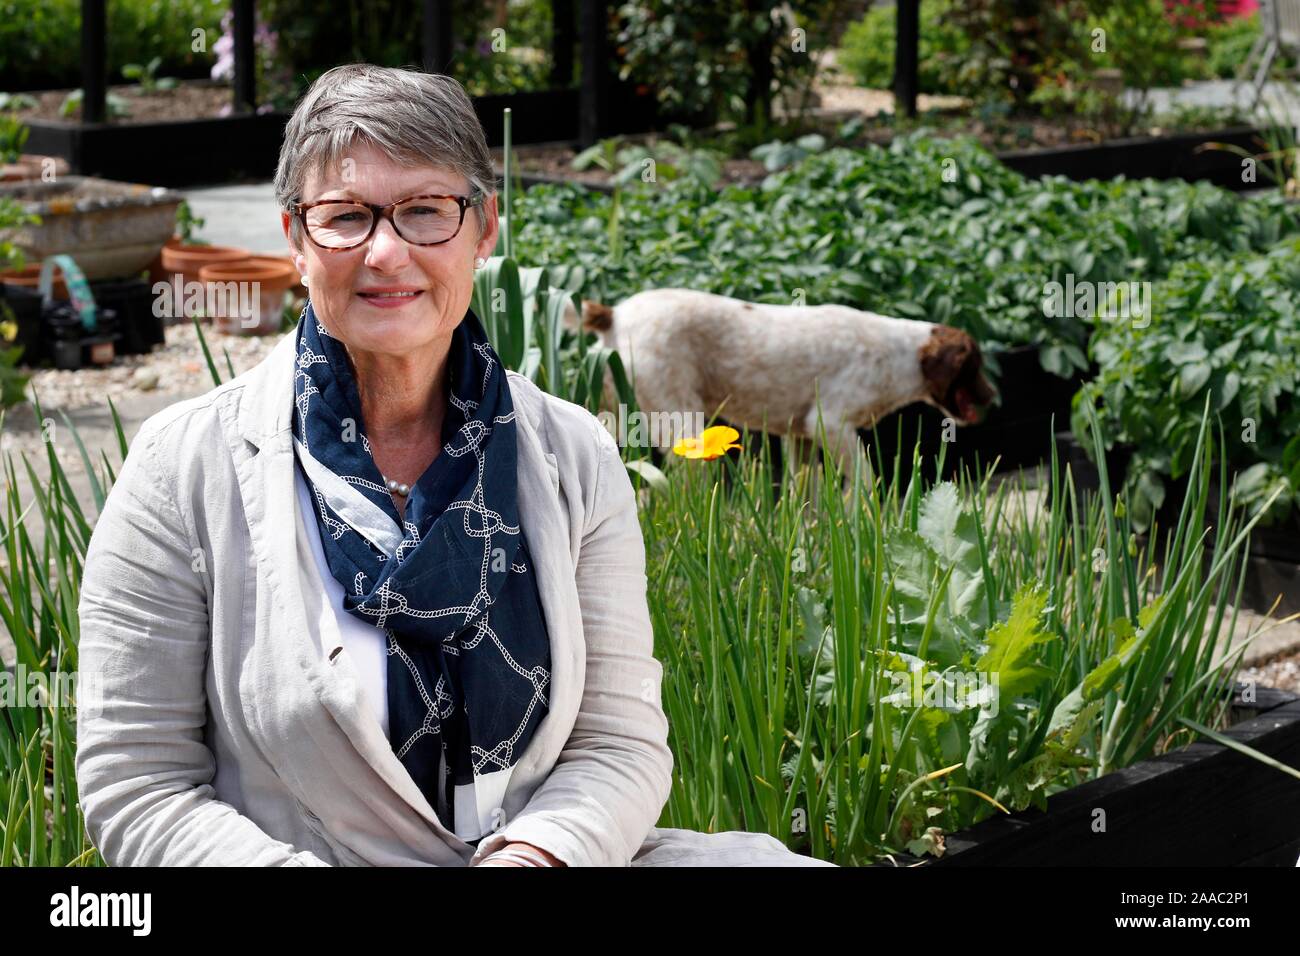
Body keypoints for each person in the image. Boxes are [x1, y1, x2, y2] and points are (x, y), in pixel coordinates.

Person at [74, 63, 835, 868]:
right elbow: (137, 782)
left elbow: (618, 741)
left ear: (484, 229)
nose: (387, 252)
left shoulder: (571, 453)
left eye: (427, 211)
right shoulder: (182, 468)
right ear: (296, 238)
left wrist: (537, 855)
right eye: (345, 216)